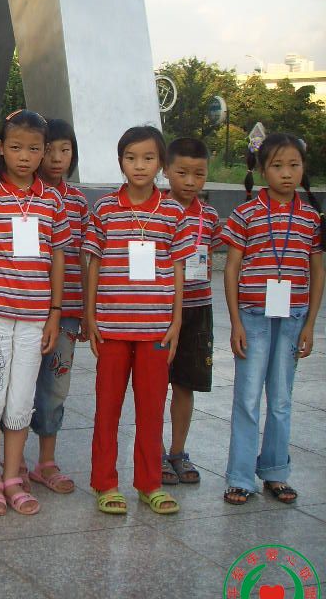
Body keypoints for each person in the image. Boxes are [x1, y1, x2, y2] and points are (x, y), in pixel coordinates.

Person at [83, 125, 192, 516]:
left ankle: (150, 483)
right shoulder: (105, 209)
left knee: (151, 410)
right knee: (107, 408)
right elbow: (93, 263)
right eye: (131, 158)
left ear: (160, 163)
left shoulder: (174, 213)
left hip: (155, 330)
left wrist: (176, 321)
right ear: (121, 162)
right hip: (112, 327)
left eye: (148, 158)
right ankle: (105, 482)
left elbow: (178, 269)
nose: (139, 165)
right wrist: (90, 315)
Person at [0, 109, 67, 517]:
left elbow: (58, 259)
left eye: (34, 149)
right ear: (1, 148)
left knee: (21, 398)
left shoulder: (53, 201)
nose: (25, 157)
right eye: (16, 147)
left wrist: (55, 313)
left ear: (45, 151)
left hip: (34, 319)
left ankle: (12, 477)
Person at [222, 132, 324, 506]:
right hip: (252, 317)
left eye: (294, 165)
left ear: (303, 168)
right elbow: (231, 269)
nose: (286, 173)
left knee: (281, 399)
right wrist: (235, 322)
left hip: (293, 318)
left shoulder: (311, 218)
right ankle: (239, 477)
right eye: (277, 166)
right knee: (248, 398)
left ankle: (276, 472)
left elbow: (317, 271)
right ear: (262, 169)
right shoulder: (246, 213)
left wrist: (310, 323)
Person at [27, 118, 88, 494]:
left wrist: (87, 311)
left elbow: (83, 257)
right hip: (23, 306)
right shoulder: (20, 195)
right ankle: (13, 460)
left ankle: (46, 461)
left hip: (66, 312)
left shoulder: (78, 202)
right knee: (17, 386)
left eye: (65, 150)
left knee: (55, 387)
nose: (56, 157)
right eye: (48, 149)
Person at [161, 137, 221, 486]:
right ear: (166, 170)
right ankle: (154, 450)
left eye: (199, 174)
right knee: (155, 385)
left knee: (186, 384)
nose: (190, 181)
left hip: (198, 310)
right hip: (160, 309)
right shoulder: (156, 210)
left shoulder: (209, 216)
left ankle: (178, 451)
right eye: (182, 172)